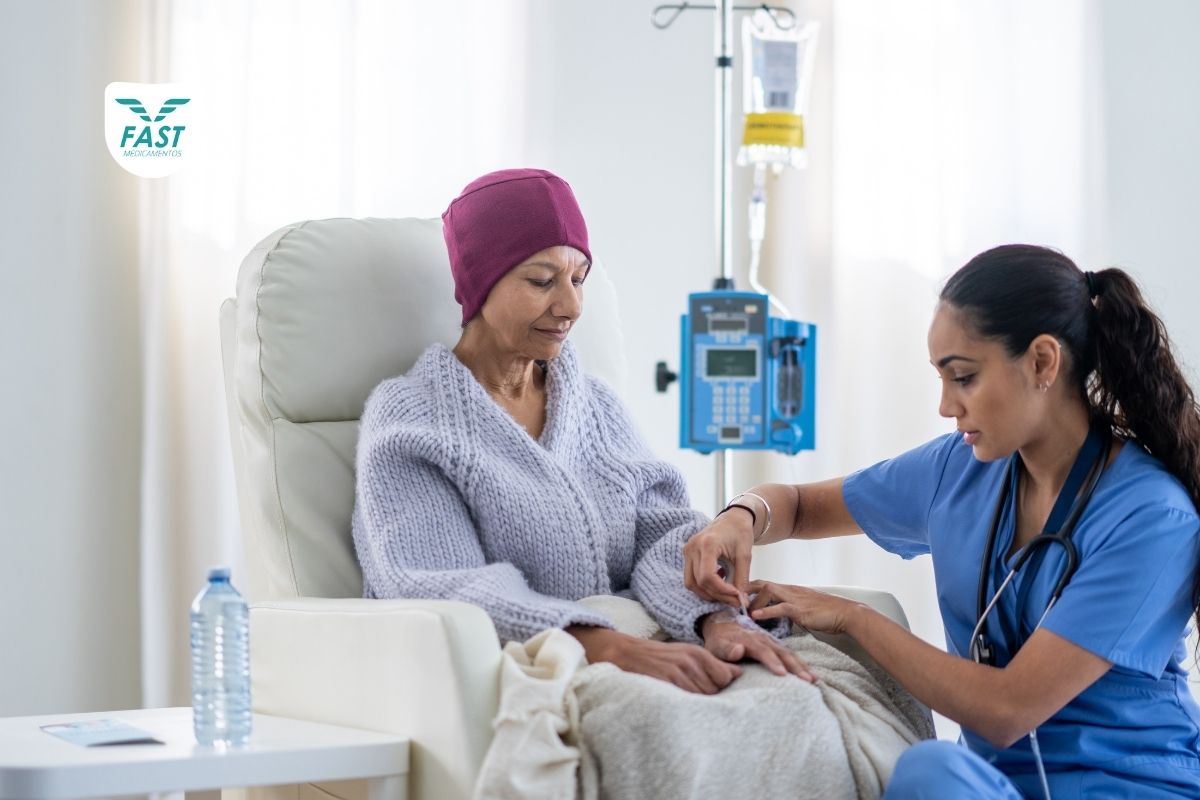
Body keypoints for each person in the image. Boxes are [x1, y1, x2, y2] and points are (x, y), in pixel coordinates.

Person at [683, 244, 1200, 798]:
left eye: (964, 378)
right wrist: (740, 517)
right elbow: (800, 505)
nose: (945, 405)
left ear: (1043, 362)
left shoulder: (1152, 518)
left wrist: (853, 617)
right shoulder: (961, 469)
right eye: (941, 378)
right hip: (991, 785)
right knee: (932, 774)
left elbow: (1008, 711)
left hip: (1132, 787)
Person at [352, 167, 810, 697]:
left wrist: (715, 620)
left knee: (808, 693)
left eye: (578, 280)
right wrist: (601, 645)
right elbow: (437, 580)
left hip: (648, 646)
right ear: (480, 283)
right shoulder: (411, 419)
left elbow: (663, 534)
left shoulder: (593, 405)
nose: (570, 306)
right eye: (543, 281)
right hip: (529, 669)